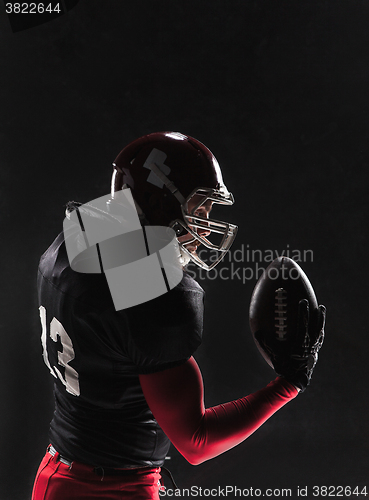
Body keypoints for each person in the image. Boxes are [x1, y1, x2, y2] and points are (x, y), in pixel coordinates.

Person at [31, 131, 325, 500]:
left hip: (57, 474)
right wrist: (289, 383)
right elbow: (196, 442)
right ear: (157, 202)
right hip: (111, 489)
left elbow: (118, 283)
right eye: (199, 208)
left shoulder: (74, 238)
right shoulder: (155, 299)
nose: (205, 225)